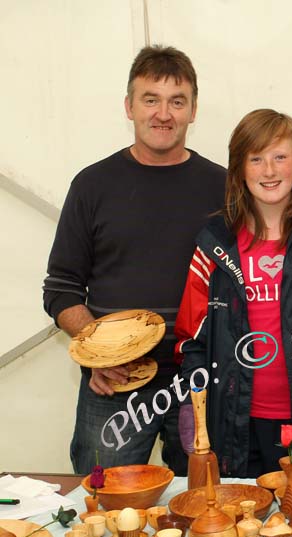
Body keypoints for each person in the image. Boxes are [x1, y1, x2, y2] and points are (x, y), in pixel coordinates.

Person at [42, 45, 226, 475]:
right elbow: (61, 287)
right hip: (114, 383)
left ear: (193, 110)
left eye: (177, 101)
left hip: (199, 380)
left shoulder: (223, 189)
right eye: (151, 99)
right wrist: (99, 355)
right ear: (129, 106)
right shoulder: (92, 185)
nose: (164, 114)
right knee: (105, 506)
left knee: (206, 509)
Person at [174, 109, 292, 478]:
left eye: (280, 157)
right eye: (256, 159)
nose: (269, 171)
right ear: (239, 169)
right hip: (234, 427)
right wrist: (196, 413)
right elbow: (192, 339)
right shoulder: (213, 243)